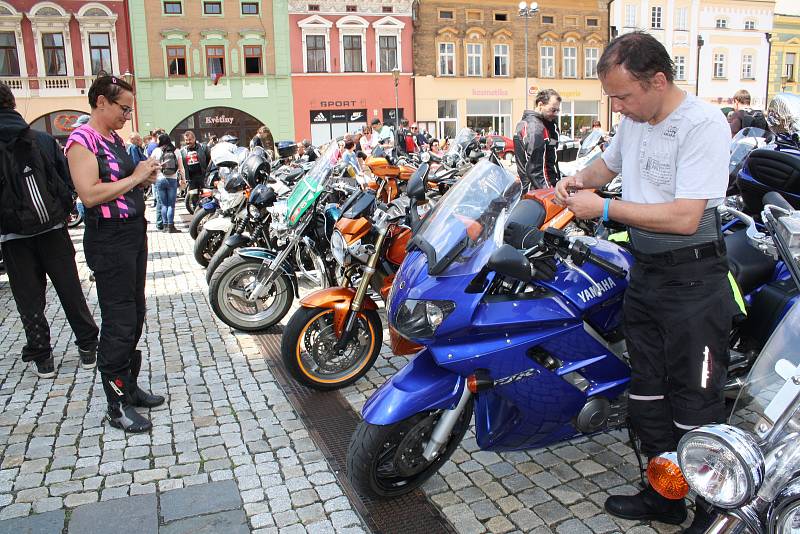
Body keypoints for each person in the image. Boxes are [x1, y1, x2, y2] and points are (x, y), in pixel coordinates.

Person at [554, 32, 738, 533]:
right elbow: (605, 164)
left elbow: (684, 217)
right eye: (611, 97)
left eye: (624, 96)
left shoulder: (702, 123)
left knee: (694, 406)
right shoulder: (634, 121)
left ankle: (713, 509)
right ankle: (665, 495)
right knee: (647, 398)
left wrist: (606, 207)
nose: (618, 107)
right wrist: (575, 180)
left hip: (695, 281)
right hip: (648, 274)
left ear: (658, 80)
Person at [66, 75, 165, 433]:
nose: (127, 114)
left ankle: (129, 388)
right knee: (119, 321)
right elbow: (89, 195)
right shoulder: (82, 141)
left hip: (131, 233)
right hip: (109, 238)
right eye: (123, 107)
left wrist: (143, 178)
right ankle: (116, 405)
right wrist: (135, 178)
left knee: (135, 313)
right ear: (100, 102)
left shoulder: (112, 139)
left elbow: (121, 184)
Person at [0, 82, 99, 378]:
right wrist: (63, 208)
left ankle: (43, 357)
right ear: (12, 103)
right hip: (53, 229)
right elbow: (67, 179)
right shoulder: (41, 139)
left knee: (29, 297)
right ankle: (88, 347)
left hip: (13, 236)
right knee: (70, 289)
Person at [514, 89, 563, 190]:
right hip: (537, 190)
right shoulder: (535, 128)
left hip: (540, 186)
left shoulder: (544, 124)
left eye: (557, 110)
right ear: (540, 105)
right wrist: (548, 192)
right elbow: (537, 170)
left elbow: (550, 151)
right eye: (553, 109)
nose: (555, 114)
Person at [151, 133, 185, 233]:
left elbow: (151, 164)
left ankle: (165, 226)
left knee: (163, 204)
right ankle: (171, 227)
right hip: (172, 180)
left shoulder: (156, 151)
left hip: (160, 179)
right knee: (171, 205)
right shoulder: (176, 150)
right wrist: (183, 178)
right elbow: (181, 167)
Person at [180, 131, 209, 195]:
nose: (188, 142)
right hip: (190, 178)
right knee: (192, 197)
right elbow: (180, 166)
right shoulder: (182, 151)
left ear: (194, 139)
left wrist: (208, 172)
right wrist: (181, 179)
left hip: (203, 176)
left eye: (190, 140)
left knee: (205, 195)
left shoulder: (203, 148)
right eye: (186, 140)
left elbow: (209, 160)